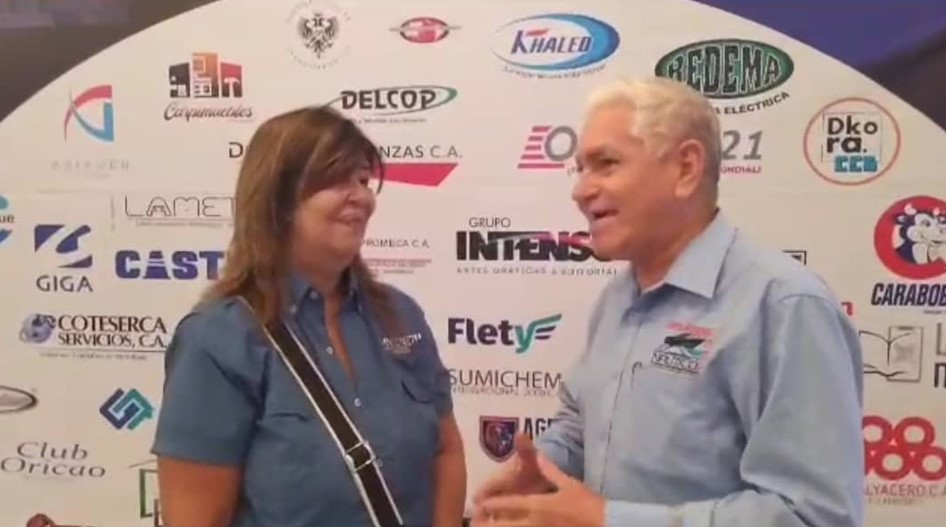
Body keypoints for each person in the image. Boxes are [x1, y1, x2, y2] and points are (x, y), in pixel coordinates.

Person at [471, 76, 864, 527]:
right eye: (579, 169)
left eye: (606, 164)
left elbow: (815, 516)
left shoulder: (784, 306)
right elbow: (582, 424)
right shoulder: (616, 298)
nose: (580, 190)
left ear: (686, 169)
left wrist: (609, 521)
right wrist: (543, 469)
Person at [152, 106, 466, 527]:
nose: (360, 197)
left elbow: (446, 451)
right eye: (337, 180)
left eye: (363, 180)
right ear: (278, 199)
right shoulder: (218, 340)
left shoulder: (400, 315)